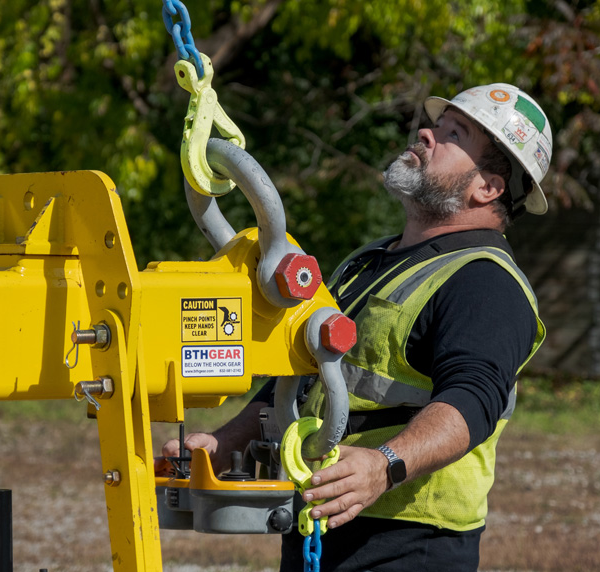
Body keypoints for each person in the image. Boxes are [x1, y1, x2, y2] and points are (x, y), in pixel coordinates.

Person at [155, 83, 551, 571]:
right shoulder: (369, 261)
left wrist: (384, 465)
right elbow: (298, 379)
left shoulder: (485, 283)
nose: (426, 133)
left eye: (454, 134)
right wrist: (223, 443)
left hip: (410, 544)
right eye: (436, 124)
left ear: (487, 188)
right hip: (322, 524)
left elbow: (472, 402)